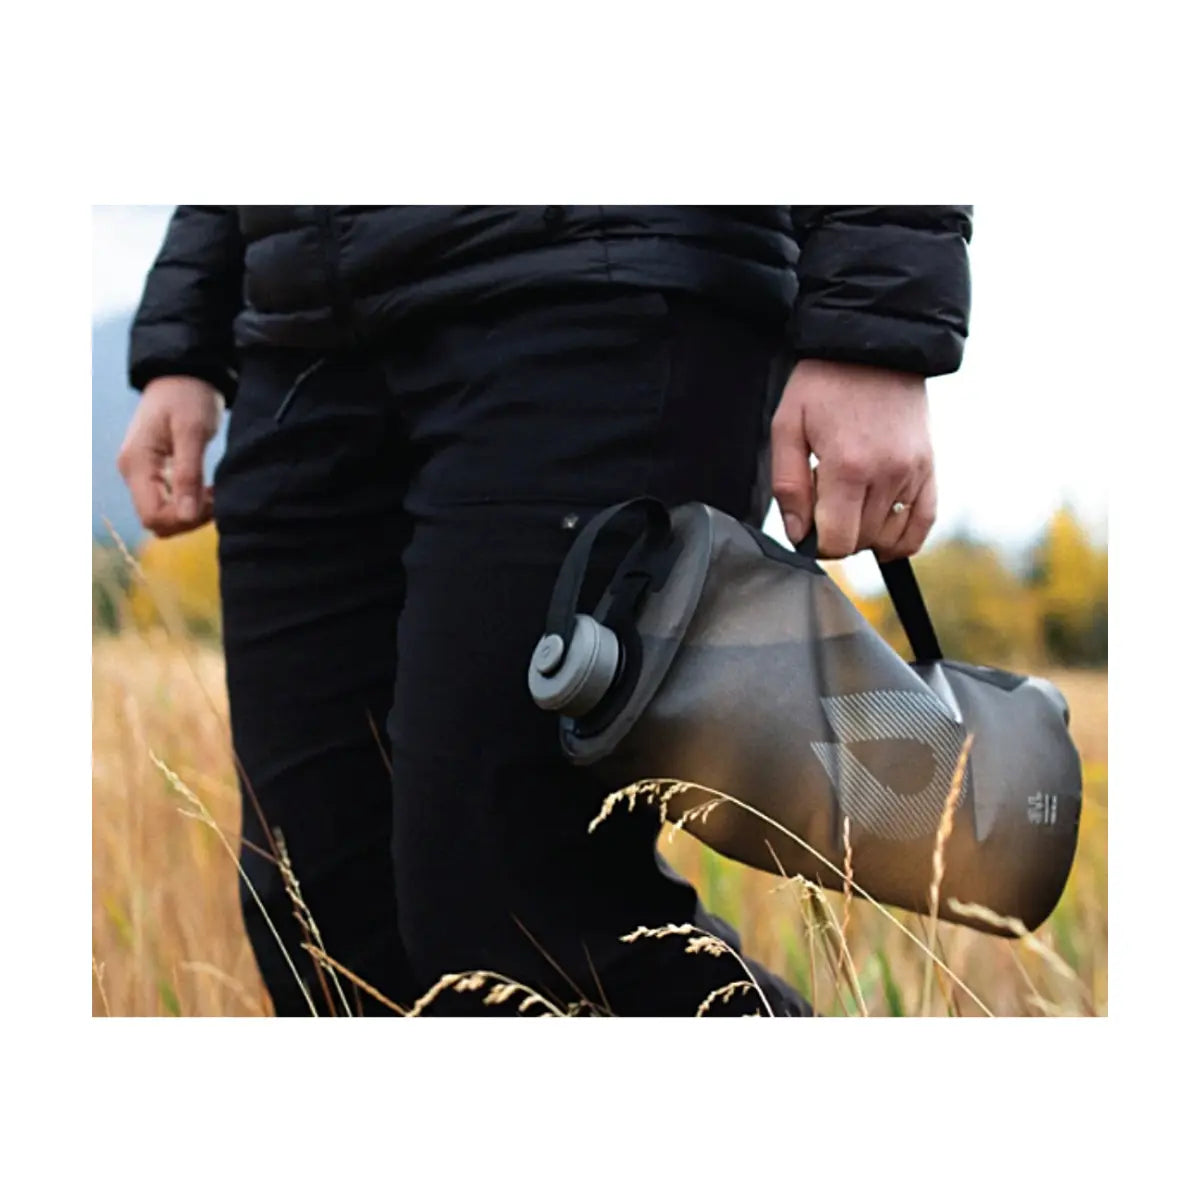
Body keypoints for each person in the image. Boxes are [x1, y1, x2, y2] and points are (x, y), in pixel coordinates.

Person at [121, 205, 972, 1017]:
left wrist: (877, 325)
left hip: (597, 292)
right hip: (301, 341)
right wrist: (184, 339)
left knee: (520, 920)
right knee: (319, 927)